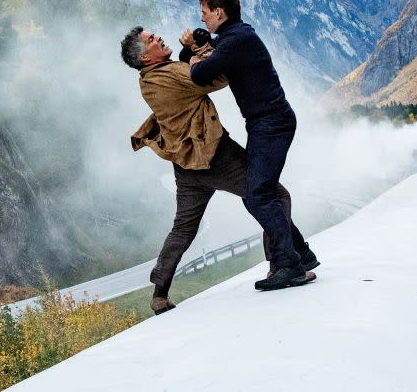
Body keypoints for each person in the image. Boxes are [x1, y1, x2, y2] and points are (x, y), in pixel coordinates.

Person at [120, 26, 317, 314]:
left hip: (186, 165)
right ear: (145, 58)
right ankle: (283, 263)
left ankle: (159, 294)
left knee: (183, 228)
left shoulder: (148, 80)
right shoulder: (172, 74)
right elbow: (217, 76)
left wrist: (191, 53)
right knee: (271, 194)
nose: (159, 38)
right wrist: (201, 49)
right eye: (151, 40)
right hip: (214, 155)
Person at [185, 0, 311, 290]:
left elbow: (200, 75)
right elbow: (217, 55)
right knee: (261, 193)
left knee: (258, 195)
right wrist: (203, 46)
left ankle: (289, 265)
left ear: (219, 11)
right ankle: (302, 256)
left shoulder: (236, 40)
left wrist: (192, 54)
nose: (202, 19)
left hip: (271, 124)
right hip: (266, 123)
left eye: (205, 13)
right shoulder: (235, 37)